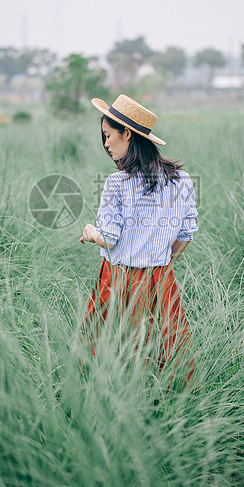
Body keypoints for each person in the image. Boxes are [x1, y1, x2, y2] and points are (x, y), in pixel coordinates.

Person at [80, 94, 198, 389]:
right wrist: (159, 261)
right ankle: (169, 408)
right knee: (165, 348)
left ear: (128, 134)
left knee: (102, 347)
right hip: (162, 278)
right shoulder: (182, 180)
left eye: (108, 136)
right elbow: (186, 234)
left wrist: (90, 230)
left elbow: (109, 238)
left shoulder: (117, 183)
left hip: (118, 278)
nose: (106, 144)